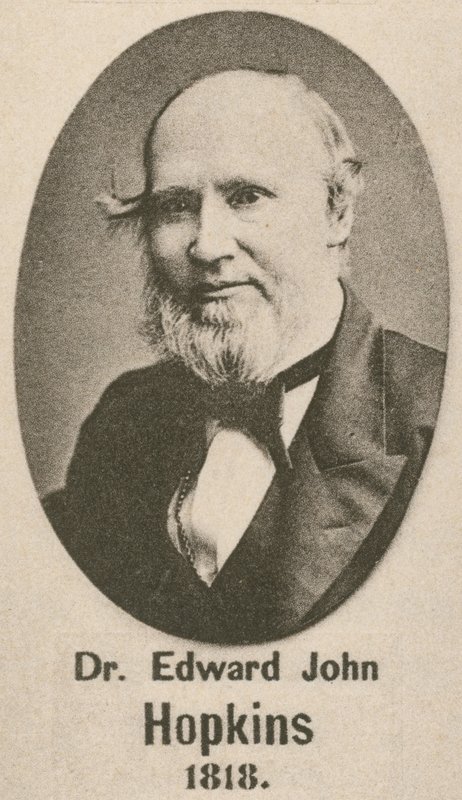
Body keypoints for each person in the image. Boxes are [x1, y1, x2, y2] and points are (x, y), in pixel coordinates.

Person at [43, 69, 445, 643]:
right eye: (176, 206)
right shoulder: (124, 418)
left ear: (338, 213)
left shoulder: (437, 421)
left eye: (247, 197)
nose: (207, 245)